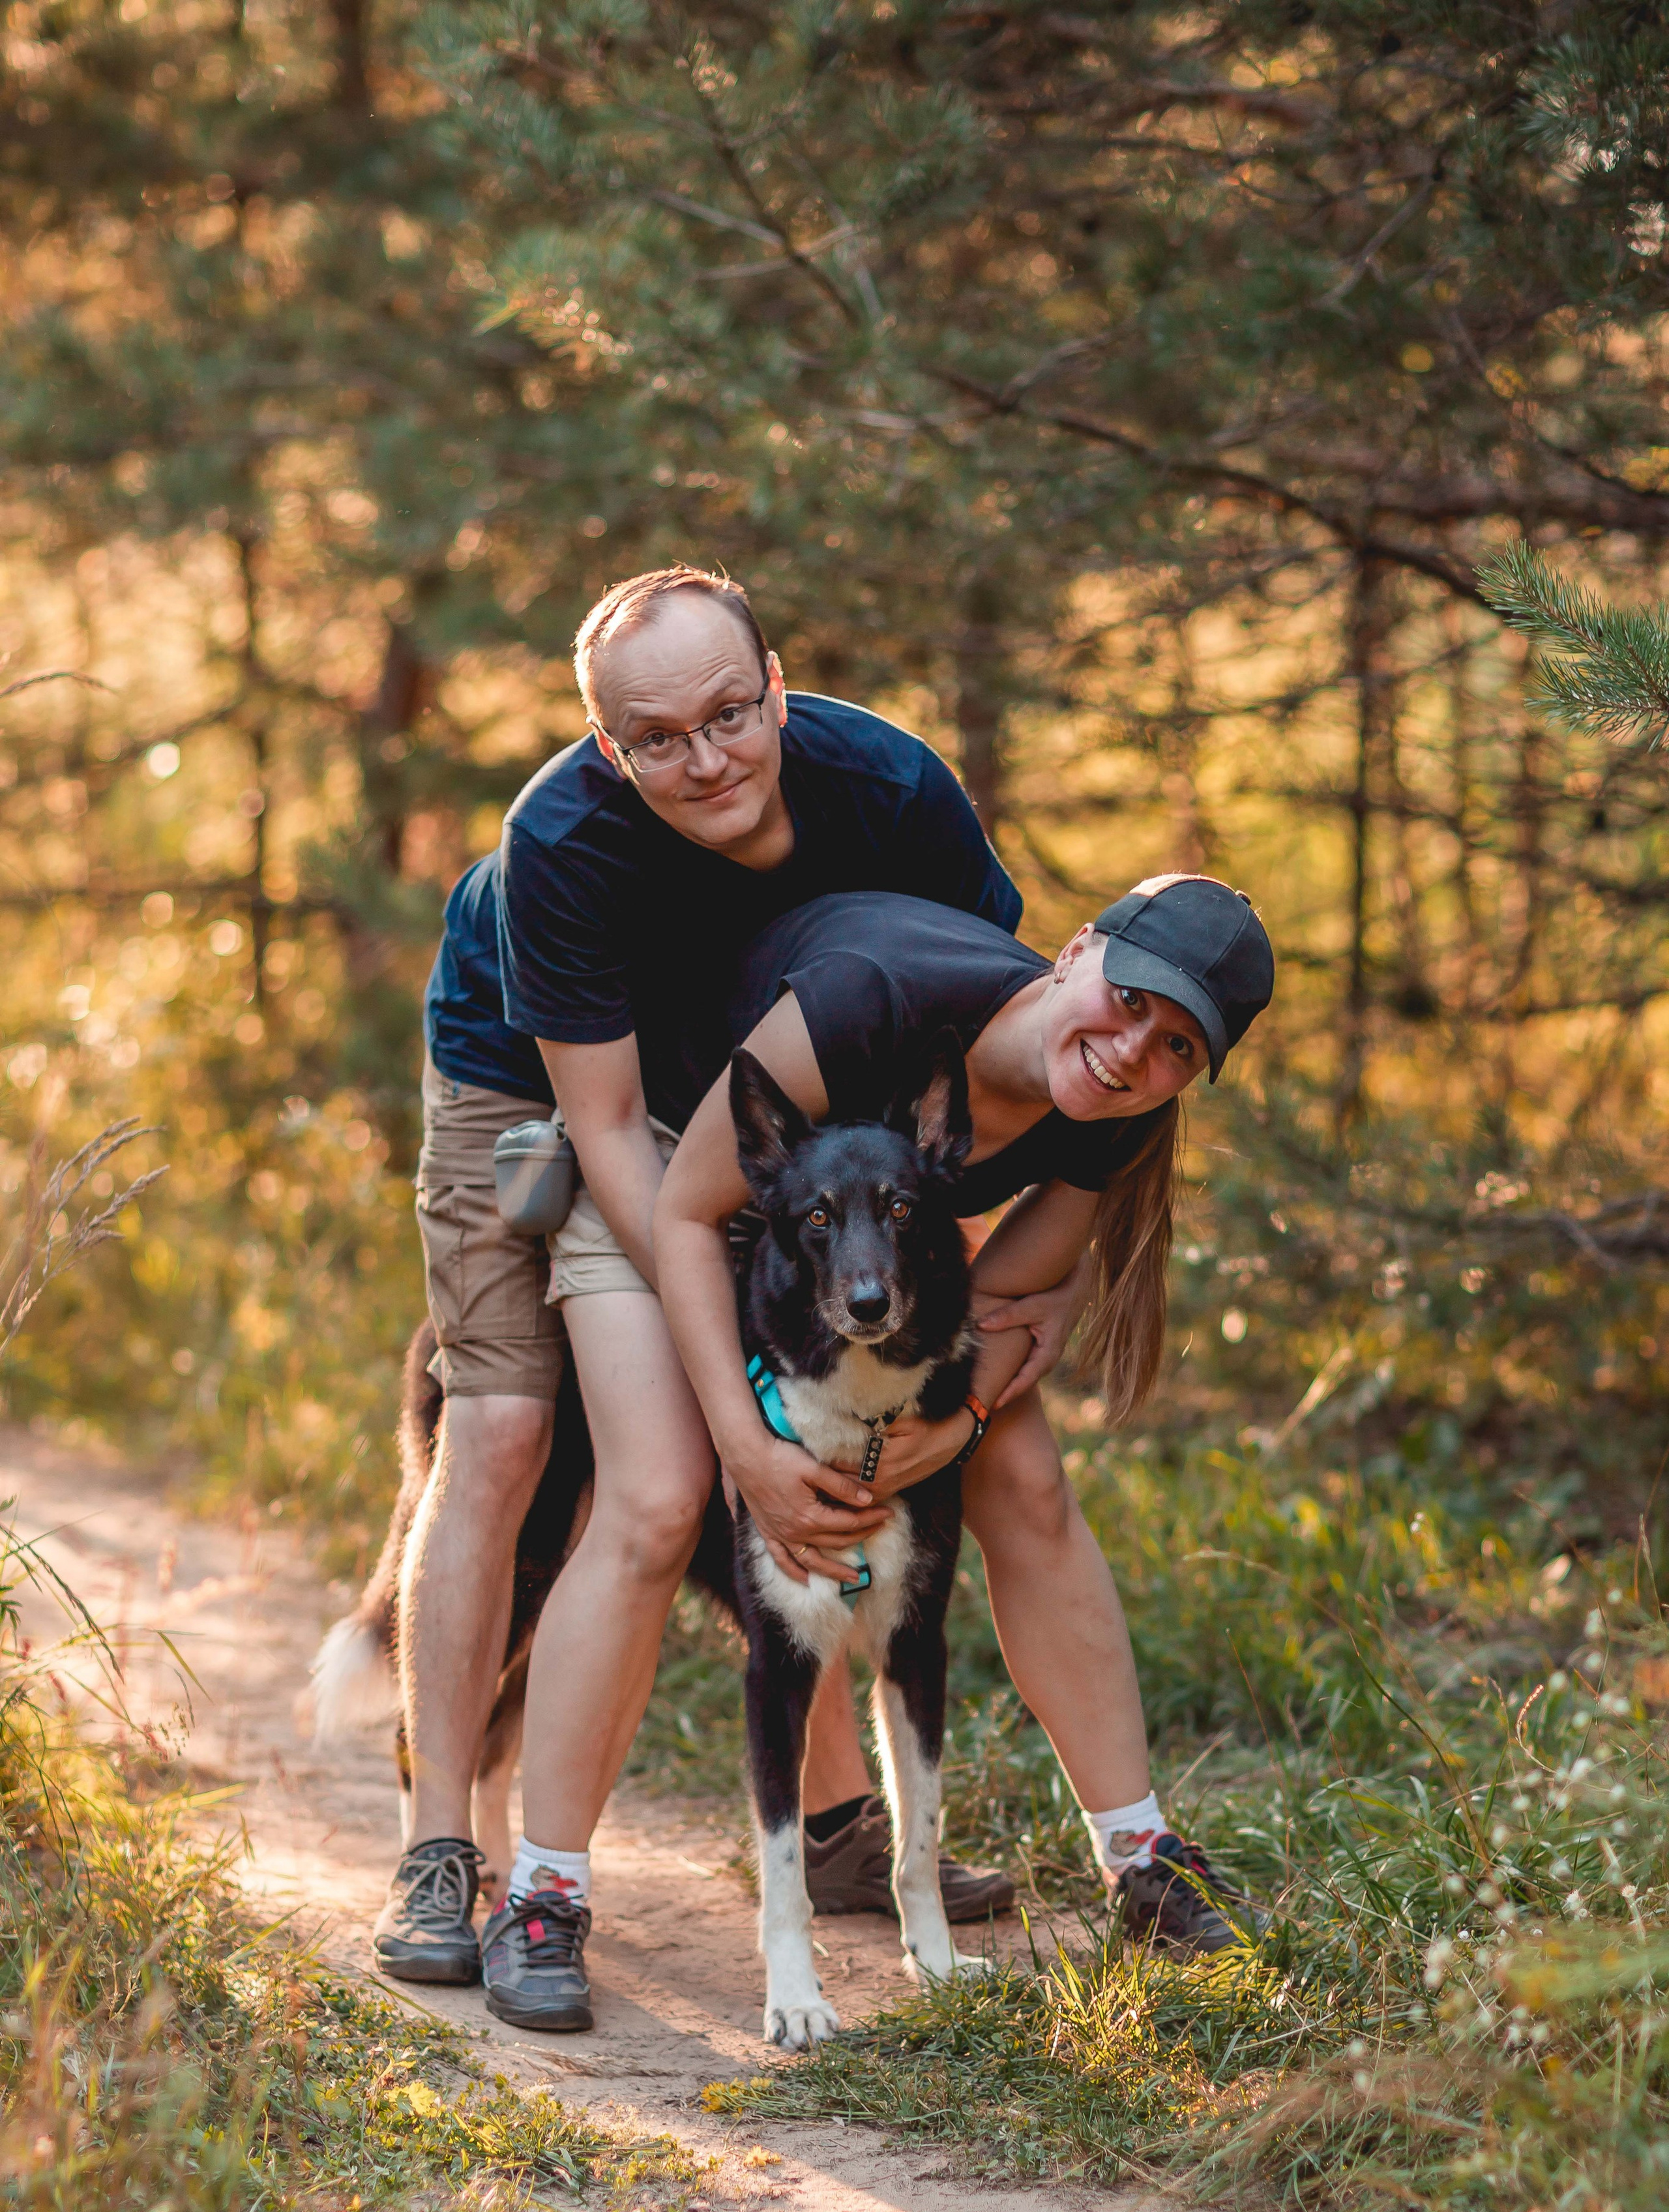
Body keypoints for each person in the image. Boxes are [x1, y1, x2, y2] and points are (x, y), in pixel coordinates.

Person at [375, 564, 1037, 1988]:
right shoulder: (560, 837)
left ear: (777, 688)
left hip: (773, 1116)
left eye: (729, 714)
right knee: (512, 1427)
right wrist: (720, 1343)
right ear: (609, 747)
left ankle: (840, 1829)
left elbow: (978, 1026)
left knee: (787, 1452)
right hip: (544, 1095)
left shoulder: (894, 791)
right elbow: (608, 1133)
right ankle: (443, 1852)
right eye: (657, 739)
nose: (705, 758)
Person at [480, 872, 1275, 2033]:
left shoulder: (1120, 1105)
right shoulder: (868, 1002)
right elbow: (693, 1218)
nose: (1130, 1052)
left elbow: (985, 1310)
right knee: (658, 1497)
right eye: (1132, 1000)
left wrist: (941, 1433)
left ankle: (1140, 1856)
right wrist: (749, 1447)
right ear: (1075, 951)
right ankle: (544, 1892)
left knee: (1029, 1480)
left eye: (1175, 1045)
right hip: (674, 1166)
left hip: (861, 1253)